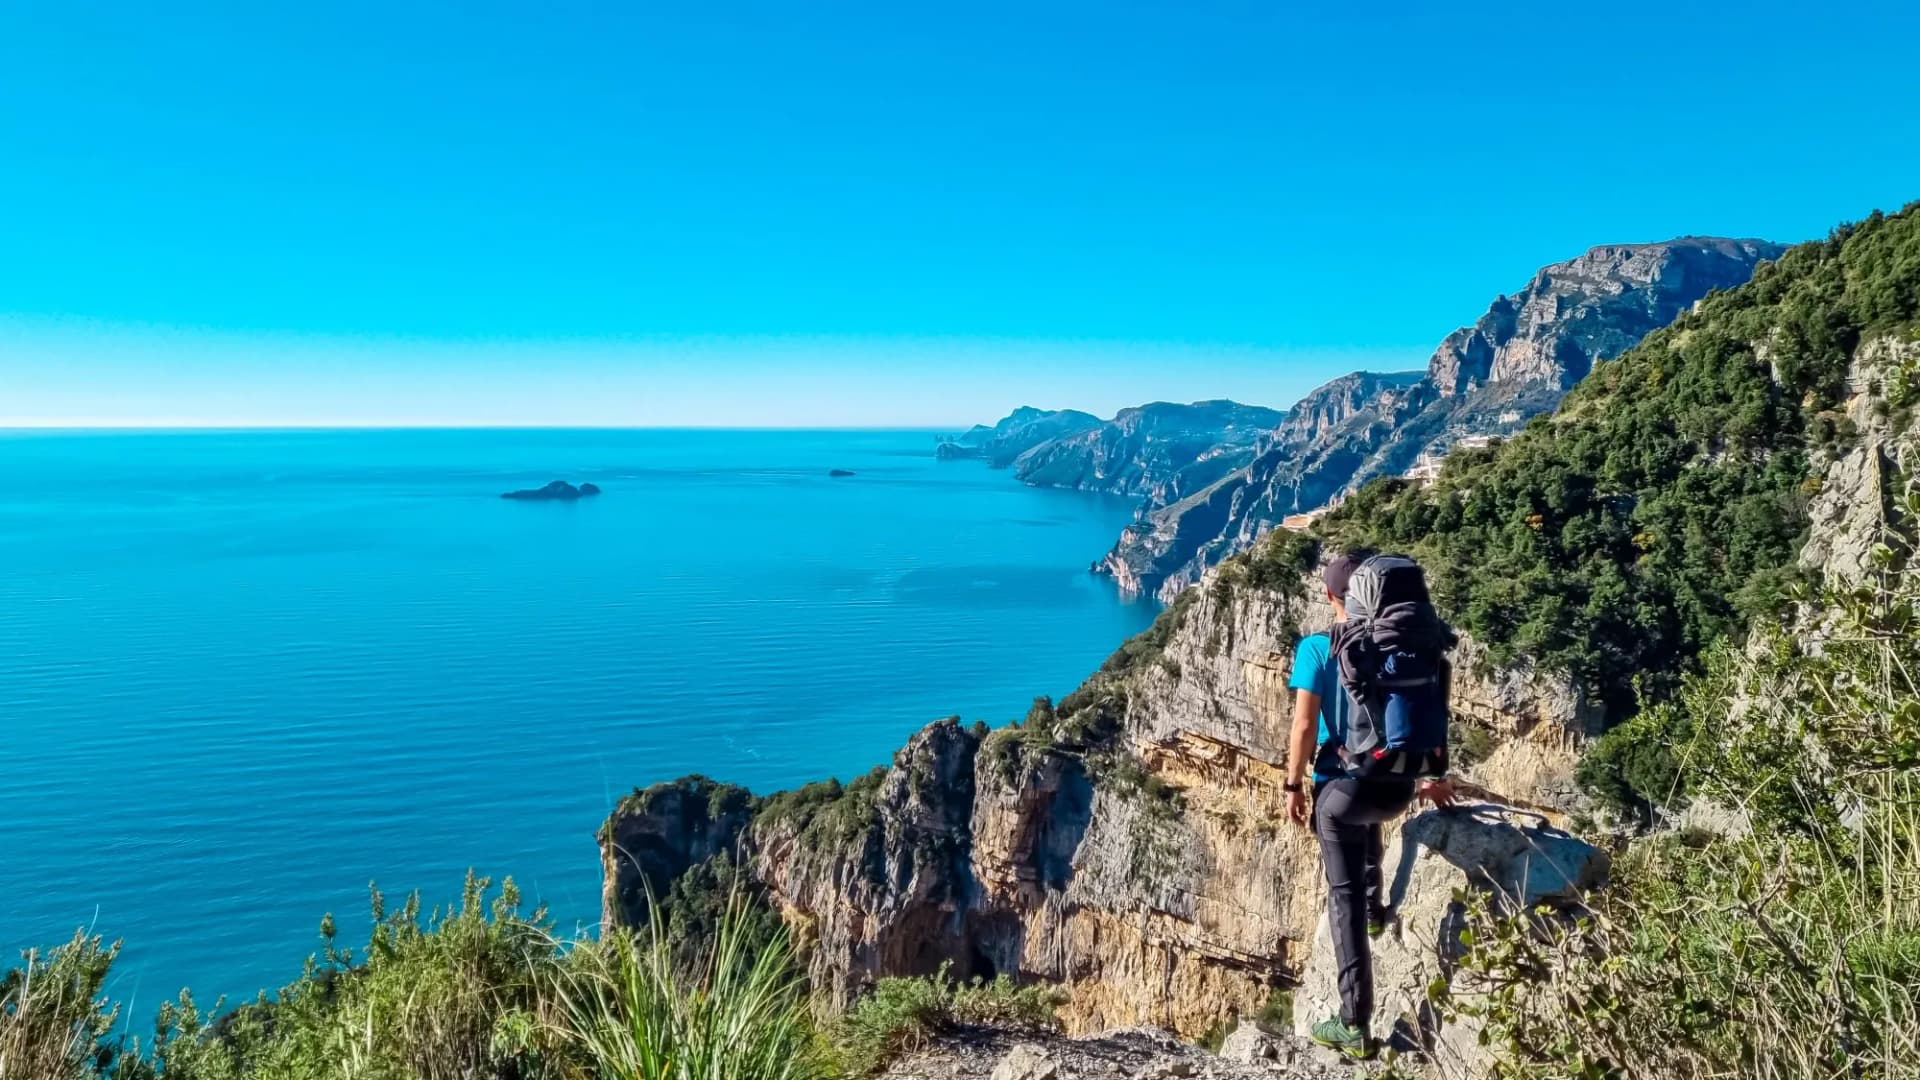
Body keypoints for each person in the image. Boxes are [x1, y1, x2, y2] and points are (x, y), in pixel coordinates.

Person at [1284, 551, 1454, 1060]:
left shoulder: (1319, 648)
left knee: (1343, 896)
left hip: (1343, 792)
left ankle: (1353, 1022)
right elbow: (1435, 716)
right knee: (1369, 811)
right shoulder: (1417, 648)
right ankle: (1378, 911)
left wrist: (1293, 785)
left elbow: (1304, 727)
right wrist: (1436, 779)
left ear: (1332, 596)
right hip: (1400, 788)